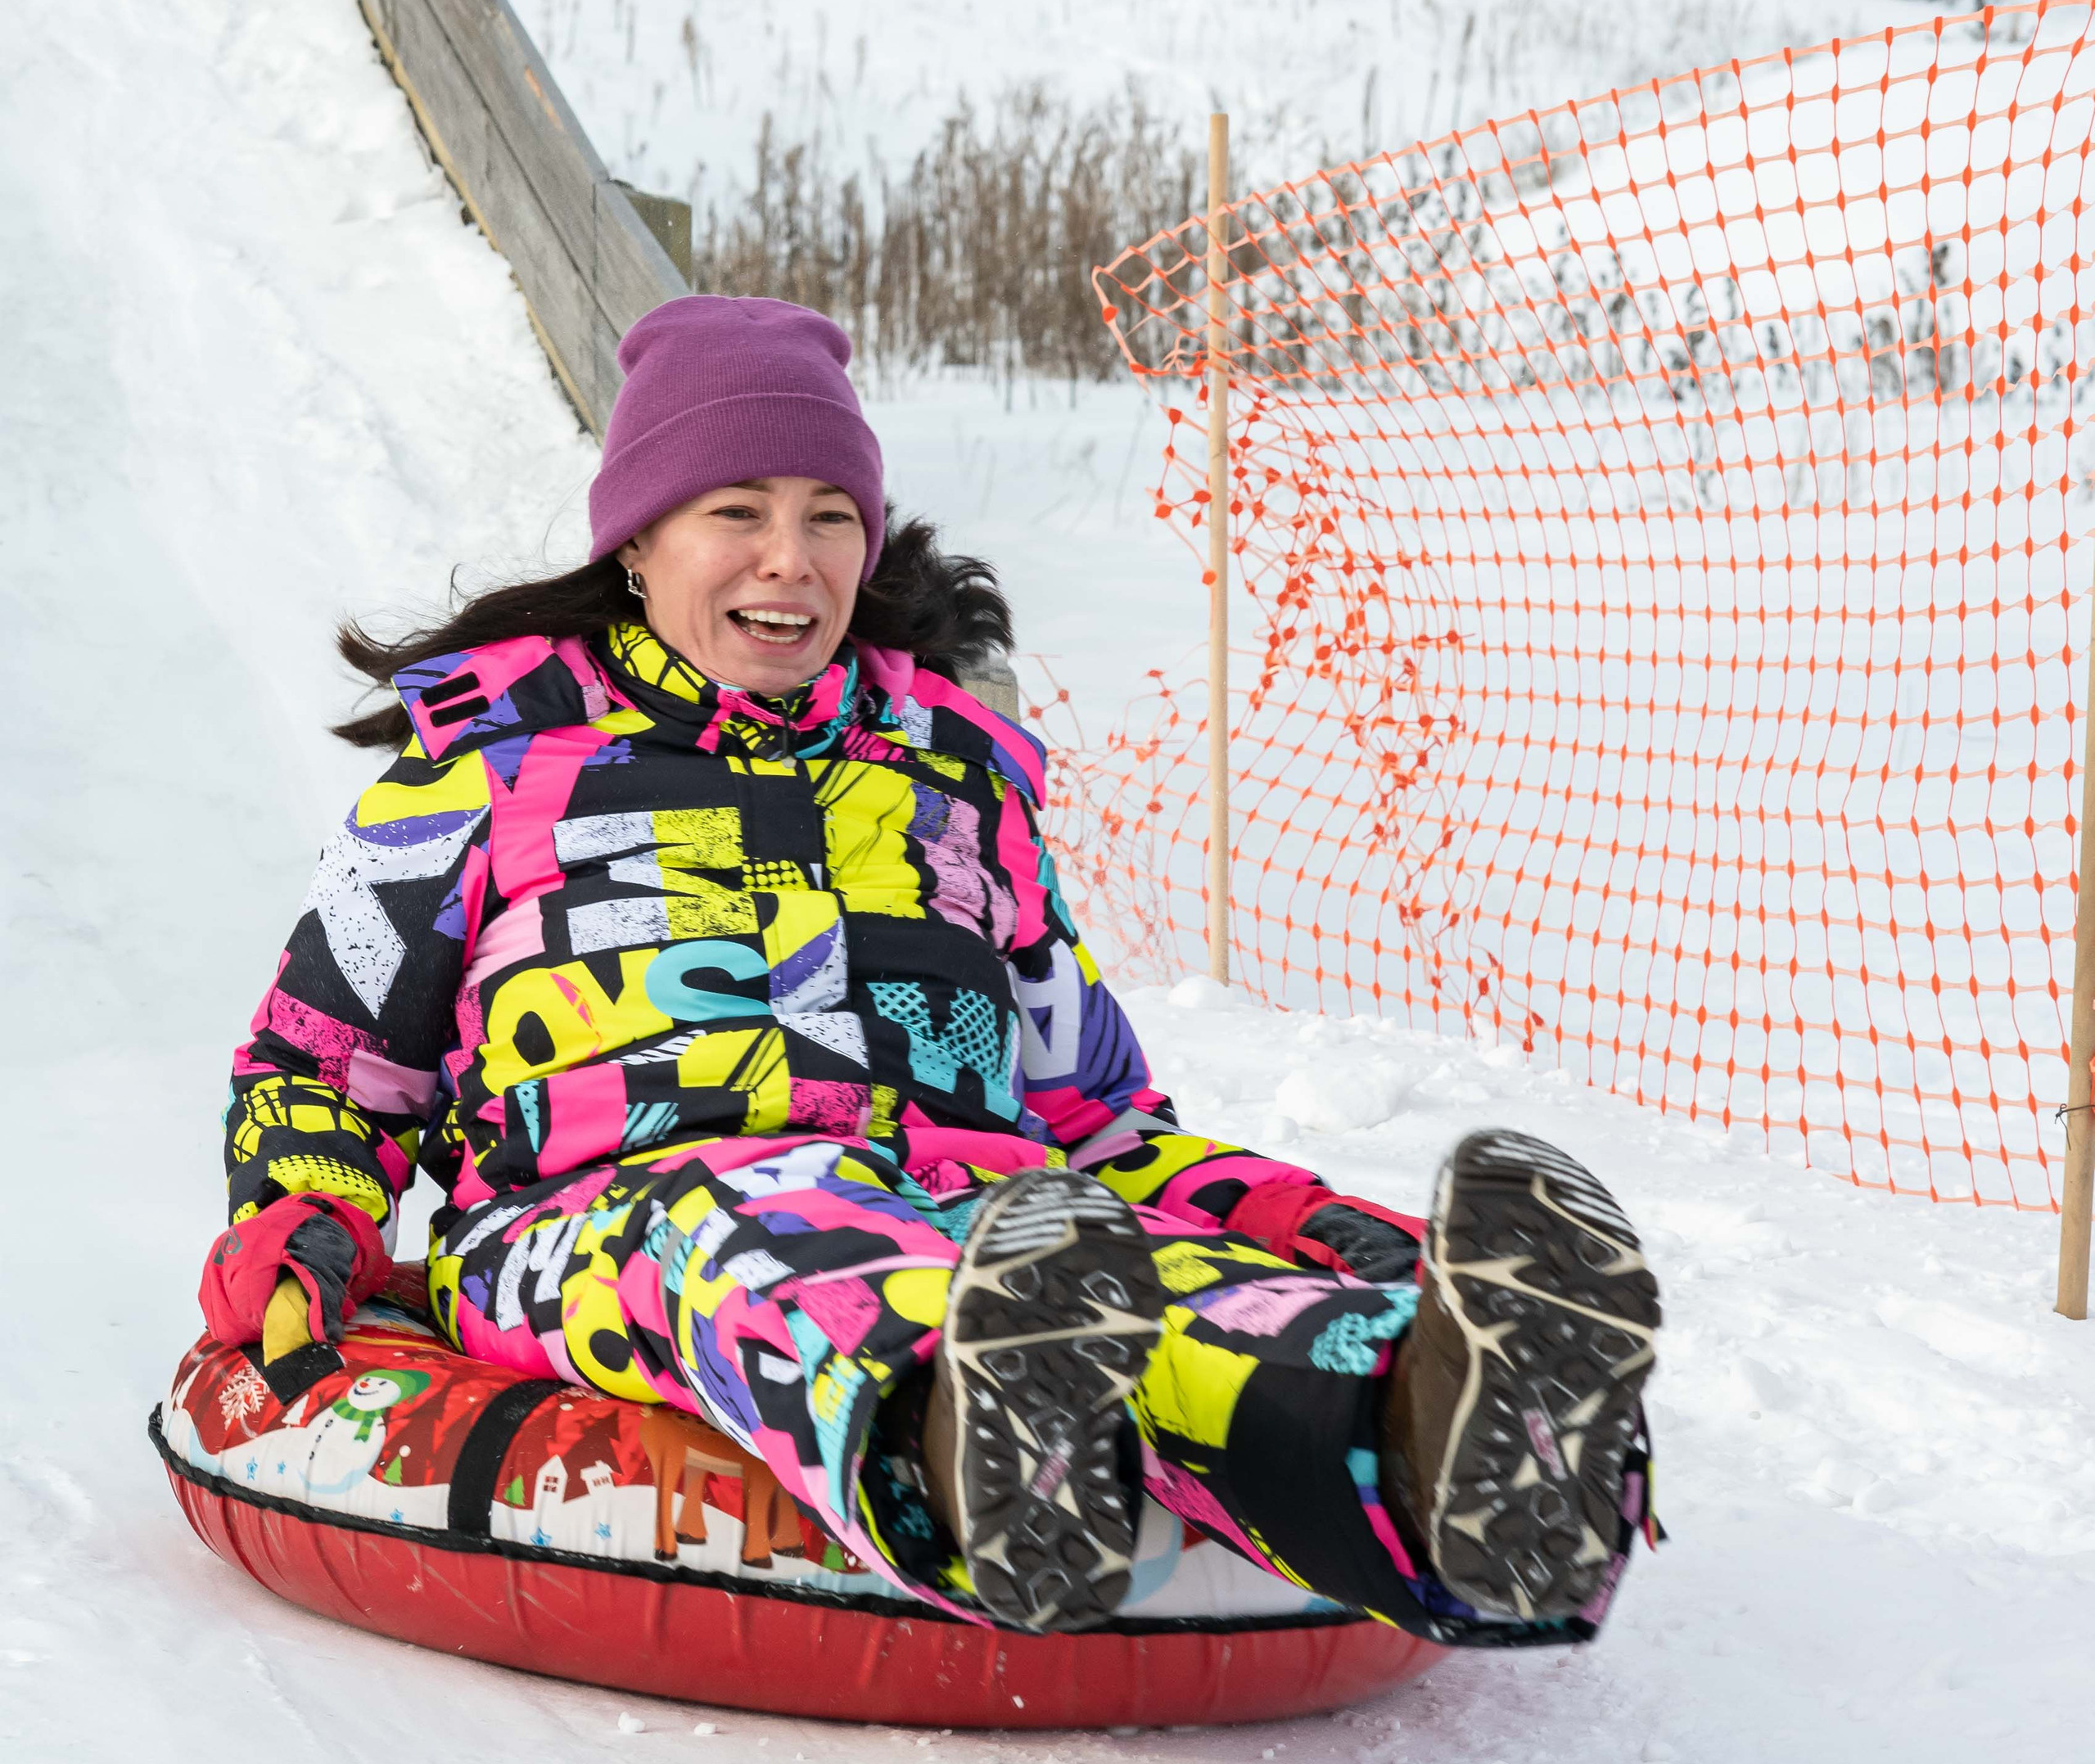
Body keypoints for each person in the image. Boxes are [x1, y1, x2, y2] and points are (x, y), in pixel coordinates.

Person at [203, 296, 1661, 1649]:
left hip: (978, 1216)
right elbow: (320, 1065)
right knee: (755, 1235)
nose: (793, 558)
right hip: (602, 1215)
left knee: (1133, 1282)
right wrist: (307, 1220)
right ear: (638, 541)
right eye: (739, 512)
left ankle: (1441, 1445)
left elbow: (1085, 1116)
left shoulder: (954, 780)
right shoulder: (487, 768)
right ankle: (975, 1461)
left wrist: (1306, 1224)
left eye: (832, 516)